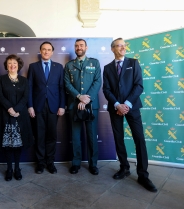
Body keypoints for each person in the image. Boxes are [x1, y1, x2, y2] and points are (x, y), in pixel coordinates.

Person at [103, 38, 157, 192]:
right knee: (118, 139)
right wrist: (117, 105)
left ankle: (143, 175)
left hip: (131, 107)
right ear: (112, 49)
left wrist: (126, 104)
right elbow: (106, 89)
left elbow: (139, 85)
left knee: (139, 139)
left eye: (124, 45)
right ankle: (124, 167)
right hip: (115, 109)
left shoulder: (133, 63)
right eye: (119, 45)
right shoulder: (107, 68)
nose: (123, 48)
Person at [64, 39, 101, 175]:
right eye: (76, 46)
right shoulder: (69, 65)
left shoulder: (94, 63)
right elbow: (67, 84)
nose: (79, 48)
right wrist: (79, 97)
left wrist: (86, 99)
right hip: (75, 106)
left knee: (92, 136)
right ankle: (76, 163)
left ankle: (93, 164)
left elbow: (97, 82)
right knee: (75, 136)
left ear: (86, 47)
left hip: (91, 106)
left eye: (81, 45)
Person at [27, 41, 65, 174]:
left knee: (52, 136)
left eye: (49, 50)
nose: (46, 52)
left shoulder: (59, 67)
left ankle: (50, 162)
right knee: (39, 136)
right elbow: (30, 87)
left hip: (54, 107)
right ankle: (40, 163)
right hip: (38, 106)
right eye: (44, 49)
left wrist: (62, 105)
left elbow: (62, 88)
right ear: (40, 51)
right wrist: (30, 106)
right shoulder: (33, 67)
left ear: (52, 52)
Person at [0, 54, 33, 181]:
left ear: (18, 65)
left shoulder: (24, 80)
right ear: (6, 65)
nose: (12, 65)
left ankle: (17, 168)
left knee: (18, 144)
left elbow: (25, 97)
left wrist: (16, 110)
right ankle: (9, 169)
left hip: (20, 117)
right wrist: (10, 109)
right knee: (7, 145)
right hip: (5, 116)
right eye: (10, 63)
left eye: (14, 63)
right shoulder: (0, 80)